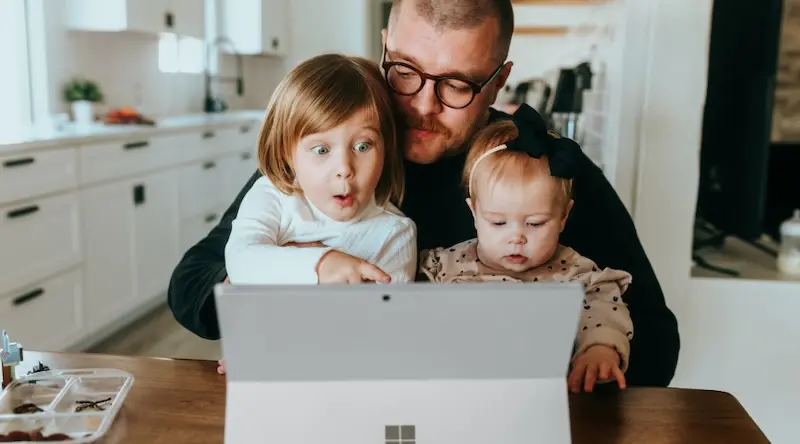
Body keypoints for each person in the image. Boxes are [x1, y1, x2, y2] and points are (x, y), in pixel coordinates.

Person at [168, 0, 680, 387]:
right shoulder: (333, 152)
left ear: (499, 80)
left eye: (456, 84)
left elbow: (657, 338)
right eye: (405, 72)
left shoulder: (539, 168)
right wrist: (288, 272)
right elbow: (190, 287)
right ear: (386, 46)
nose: (422, 106)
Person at [418, 105, 634, 393]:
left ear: (563, 217)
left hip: (542, 402)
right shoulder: (442, 267)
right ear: (474, 212)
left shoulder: (577, 276)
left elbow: (603, 311)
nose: (516, 237)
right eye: (497, 222)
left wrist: (600, 350)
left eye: (534, 223)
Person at [224, 53, 416, 287]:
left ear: (385, 149)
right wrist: (322, 264)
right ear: (287, 153)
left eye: (362, 146)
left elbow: (386, 318)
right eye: (322, 150)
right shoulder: (272, 196)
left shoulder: (394, 233)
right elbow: (240, 260)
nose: (344, 169)